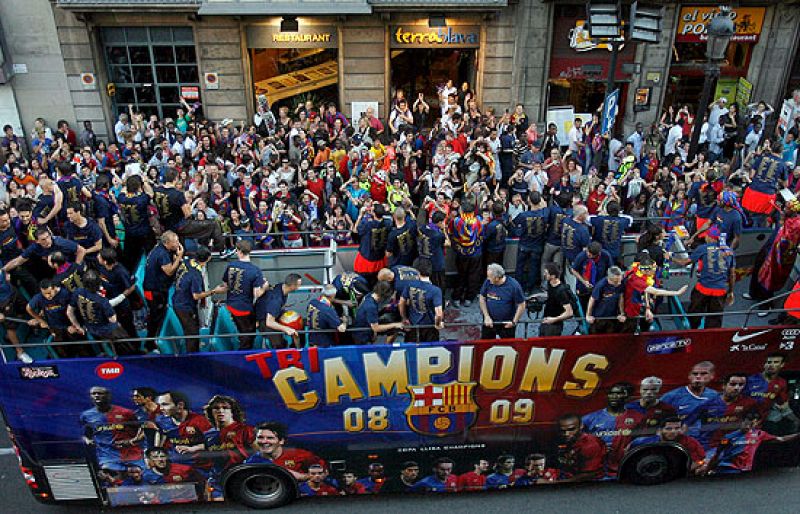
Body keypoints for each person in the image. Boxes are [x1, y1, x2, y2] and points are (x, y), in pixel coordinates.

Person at [673, 226, 735, 329]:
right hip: (720, 291)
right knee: (714, 320)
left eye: (706, 235)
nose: (705, 237)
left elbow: (684, 262)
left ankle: (691, 332)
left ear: (710, 237)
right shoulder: (730, 252)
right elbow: (732, 275)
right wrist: (731, 292)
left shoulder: (702, 248)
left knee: (694, 314)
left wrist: (671, 258)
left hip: (703, 289)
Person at [701, 411, 800, 474]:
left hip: (745, 469)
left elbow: (781, 439)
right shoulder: (728, 437)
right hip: (728, 467)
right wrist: (708, 469)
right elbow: (717, 454)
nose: (749, 425)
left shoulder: (760, 434)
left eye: (753, 422)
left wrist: (798, 434)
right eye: (747, 422)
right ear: (742, 421)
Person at [67, 269, 139, 355]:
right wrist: (123, 295)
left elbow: (69, 312)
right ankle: (131, 355)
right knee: (124, 343)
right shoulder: (101, 300)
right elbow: (113, 319)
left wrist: (78, 326)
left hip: (90, 328)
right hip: (107, 329)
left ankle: (106, 353)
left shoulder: (78, 292)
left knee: (104, 345)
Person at [153, 168, 224, 251]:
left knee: (182, 247)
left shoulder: (157, 191)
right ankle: (220, 250)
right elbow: (187, 214)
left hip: (165, 225)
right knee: (214, 224)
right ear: (176, 178)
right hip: (180, 226)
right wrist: (192, 205)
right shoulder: (178, 194)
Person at [80, 386, 144, 477]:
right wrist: (88, 440)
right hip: (107, 456)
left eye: (100, 393)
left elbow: (141, 430)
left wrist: (133, 441)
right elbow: (86, 434)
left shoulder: (126, 413)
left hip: (131, 454)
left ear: (108, 396)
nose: (96, 396)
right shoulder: (86, 415)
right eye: (93, 394)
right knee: (109, 477)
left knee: (140, 478)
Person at [688, 372, 759, 450]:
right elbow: (687, 423)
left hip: (733, 446)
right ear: (724, 385)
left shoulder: (749, 403)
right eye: (733, 384)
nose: (737, 388)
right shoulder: (708, 403)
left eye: (741, 385)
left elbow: (754, 423)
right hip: (709, 446)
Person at [220, 240, 269, 350]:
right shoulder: (255, 271)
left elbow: (225, 284)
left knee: (242, 327)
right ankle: (244, 352)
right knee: (248, 334)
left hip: (231, 305)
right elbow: (257, 294)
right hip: (244, 308)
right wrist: (265, 286)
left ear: (240, 252)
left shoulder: (230, 265)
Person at [173, 247, 224, 352]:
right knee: (192, 333)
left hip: (179, 298)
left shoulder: (188, 261)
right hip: (184, 306)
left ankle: (195, 345)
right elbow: (196, 295)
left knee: (194, 327)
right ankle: (192, 354)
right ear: (207, 259)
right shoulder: (196, 275)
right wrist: (214, 291)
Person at [621, 257, 688, 333]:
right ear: (647, 270)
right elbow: (655, 292)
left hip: (640, 304)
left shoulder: (640, 270)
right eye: (653, 270)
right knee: (630, 332)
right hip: (632, 311)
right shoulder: (636, 281)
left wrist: (647, 308)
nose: (655, 271)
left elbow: (646, 292)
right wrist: (677, 292)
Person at [581, 382, 634, 476]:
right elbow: (578, 441)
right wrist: (599, 448)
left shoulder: (637, 417)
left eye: (618, 393)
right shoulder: (589, 418)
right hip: (596, 469)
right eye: (611, 393)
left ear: (626, 395)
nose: (614, 396)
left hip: (622, 466)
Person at [246, 421, 324, 481]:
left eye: (270, 438)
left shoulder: (301, 455)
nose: (264, 441)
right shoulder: (251, 462)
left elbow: (323, 472)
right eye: (260, 437)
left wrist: (304, 477)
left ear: (281, 441)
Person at [26, 278, 85, 358]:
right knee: (63, 352)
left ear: (54, 288)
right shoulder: (39, 297)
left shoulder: (65, 294)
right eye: (44, 294)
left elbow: (75, 310)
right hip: (56, 328)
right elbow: (28, 308)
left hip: (70, 325)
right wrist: (40, 320)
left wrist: (74, 325)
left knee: (80, 348)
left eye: (49, 293)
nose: (47, 296)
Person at [154, 391, 212, 469]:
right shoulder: (161, 420)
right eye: (159, 405)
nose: (161, 408)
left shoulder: (200, 421)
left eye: (165, 404)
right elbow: (160, 433)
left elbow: (213, 443)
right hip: (174, 465)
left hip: (198, 466)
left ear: (180, 405)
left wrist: (192, 449)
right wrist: (157, 449)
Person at [142, 231, 183, 344]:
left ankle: (157, 336)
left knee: (160, 313)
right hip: (154, 290)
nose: (178, 244)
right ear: (166, 243)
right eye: (175, 242)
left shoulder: (160, 249)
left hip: (157, 288)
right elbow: (169, 271)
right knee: (155, 316)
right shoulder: (162, 254)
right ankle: (150, 343)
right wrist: (179, 257)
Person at [660, 361, 720, 438]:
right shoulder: (672, 396)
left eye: (703, 374)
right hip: (679, 439)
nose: (698, 376)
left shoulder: (714, 395)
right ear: (689, 376)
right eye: (695, 374)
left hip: (706, 440)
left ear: (712, 376)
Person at [628, 417, 706, 475]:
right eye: (668, 429)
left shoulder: (690, 442)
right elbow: (627, 455)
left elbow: (698, 461)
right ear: (659, 431)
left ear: (682, 429)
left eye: (677, 428)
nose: (673, 431)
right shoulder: (642, 442)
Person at [202, 395, 255, 475]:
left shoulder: (245, 430)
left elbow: (259, 454)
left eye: (225, 408)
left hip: (240, 475)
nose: (220, 411)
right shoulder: (208, 435)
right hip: (217, 478)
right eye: (216, 408)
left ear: (232, 412)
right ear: (211, 412)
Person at [448, 198, 484, 306]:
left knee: (461, 275)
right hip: (476, 253)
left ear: (462, 211)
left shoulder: (456, 221)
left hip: (461, 253)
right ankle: (469, 298)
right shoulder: (478, 220)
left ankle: (457, 297)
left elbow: (451, 233)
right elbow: (482, 235)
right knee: (473, 276)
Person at [398, 258, 443, 343]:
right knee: (430, 348)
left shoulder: (409, 284)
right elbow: (439, 313)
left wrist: (404, 318)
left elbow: (401, 302)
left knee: (411, 347)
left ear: (417, 271)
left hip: (413, 323)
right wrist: (437, 324)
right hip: (429, 327)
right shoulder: (435, 290)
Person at [97, 247, 138, 339]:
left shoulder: (121, 272)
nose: (98, 256)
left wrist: (120, 298)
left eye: (100, 256)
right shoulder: (102, 267)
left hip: (122, 307)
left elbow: (131, 288)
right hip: (109, 304)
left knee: (128, 327)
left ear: (105, 261)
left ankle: (135, 343)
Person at [513, 191, 549, 294]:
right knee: (533, 267)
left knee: (520, 266)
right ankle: (529, 289)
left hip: (524, 244)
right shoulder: (545, 214)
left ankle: (519, 287)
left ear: (529, 200)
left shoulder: (523, 215)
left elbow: (514, 222)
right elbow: (545, 207)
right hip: (537, 246)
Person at [479, 263, 525, 339]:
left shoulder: (514, 286)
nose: (488, 279)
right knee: (485, 343)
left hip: (507, 323)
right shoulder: (488, 282)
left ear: (497, 278)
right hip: (489, 321)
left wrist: (514, 322)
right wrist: (486, 316)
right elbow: (482, 298)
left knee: (507, 344)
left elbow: (522, 305)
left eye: (489, 277)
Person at [555, 413, 606, 482]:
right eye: (563, 431)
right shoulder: (567, 440)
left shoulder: (590, 445)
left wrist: (555, 483)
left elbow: (590, 474)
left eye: (571, 429)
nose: (566, 434)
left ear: (581, 426)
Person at [258, 273, 302, 348]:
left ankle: (296, 347)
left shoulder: (281, 286)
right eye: (298, 285)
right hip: (264, 320)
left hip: (274, 312)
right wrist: (286, 329)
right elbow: (269, 323)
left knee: (297, 322)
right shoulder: (276, 300)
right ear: (292, 286)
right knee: (279, 343)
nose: (299, 287)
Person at [353, 202, 390, 286]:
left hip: (366, 259)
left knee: (363, 282)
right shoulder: (388, 223)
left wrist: (360, 216)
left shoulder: (367, 224)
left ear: (373, 213)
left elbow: (355, 231)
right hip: (380, 258)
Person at [570, 241, 613, 311]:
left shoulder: (606, 256)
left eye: (590, 255)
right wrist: (584, 282)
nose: (588, 255)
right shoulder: (581, 256)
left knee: (597, 309)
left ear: (598, 254)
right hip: (584, 287)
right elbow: (573, 270)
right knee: (584, 308)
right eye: (587, 252)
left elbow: (610, 271)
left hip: (599, 287)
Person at [585, 266, 626, 334]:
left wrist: (622, 313)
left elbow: (621, 298)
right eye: (616, 282)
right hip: (599, 317)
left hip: (612, 316)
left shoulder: (620, 284)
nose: (619, 283)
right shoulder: (601, 285)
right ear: (609, 280)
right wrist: (588, 315)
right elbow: (592, 299)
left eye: (620, 280)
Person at [416, 210, 448, 291]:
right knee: (439, 284)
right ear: (440, 222)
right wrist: (444, 230)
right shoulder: (439, 235)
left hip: (425, 259)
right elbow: (448, 243)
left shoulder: (423, 228)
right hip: (437, 263)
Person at [540, 262, 573, 336]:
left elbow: (569, 313)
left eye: (546, 273)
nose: (544, 274)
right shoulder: (550, 283)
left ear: (553, 276)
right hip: (546, 320)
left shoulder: (561, 292)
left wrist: (554, 319)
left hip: (554, 326)